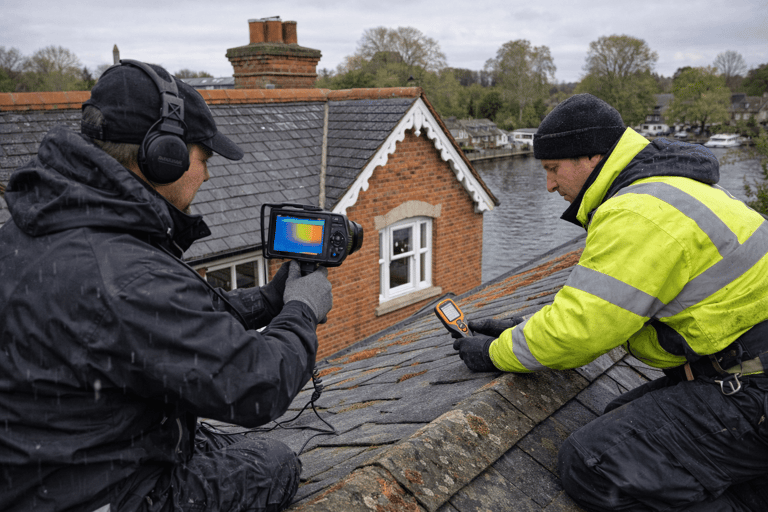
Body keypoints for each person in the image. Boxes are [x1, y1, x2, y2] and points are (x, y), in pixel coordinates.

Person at [0, 60, 333, 512]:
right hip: (97, 496)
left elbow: (155, 323)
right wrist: (301, 312)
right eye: (204, 159)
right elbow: (257, 386)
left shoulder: (45, 228)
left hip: (43, 470)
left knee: (202, 438)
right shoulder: (126, 272)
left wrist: (269, 301)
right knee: (272, 461)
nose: (207, 175)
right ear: (164, 156)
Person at [452, 93, 768, 511]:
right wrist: (527, 324)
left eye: (552, 169)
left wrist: (497, 352)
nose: (548, 185)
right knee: (615, 415)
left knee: (592, 462)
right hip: (744, 370)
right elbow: (617, 306)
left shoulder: (637, 212)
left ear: (592, 159)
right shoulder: (668, 187)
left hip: (752, 388)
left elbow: (584, 327)